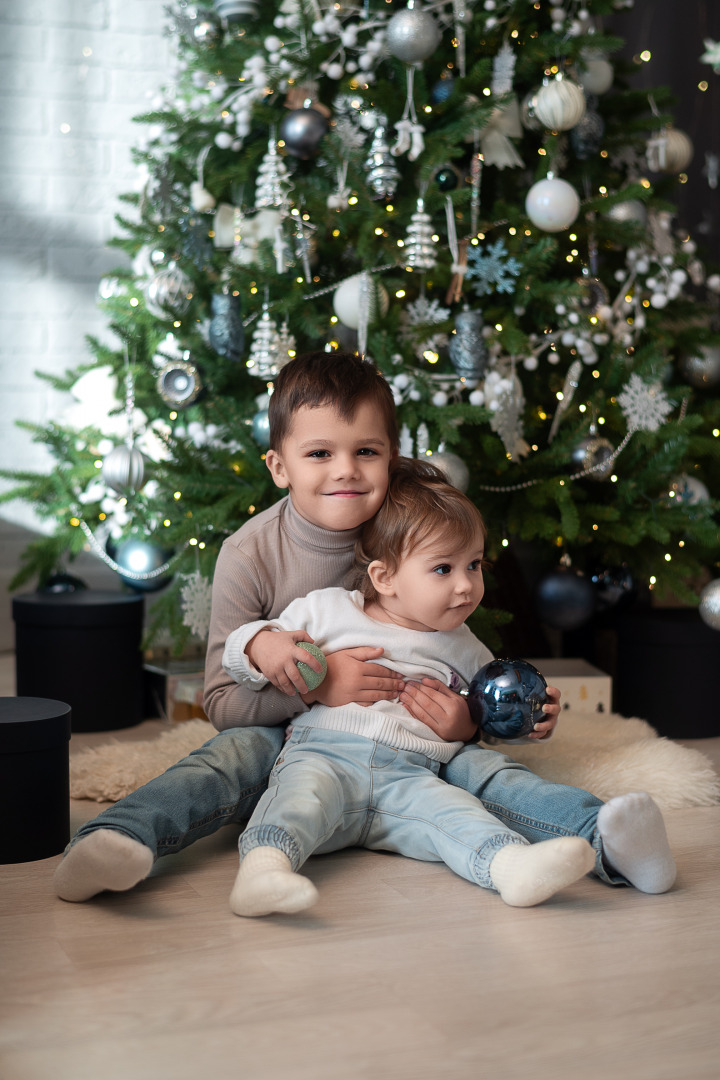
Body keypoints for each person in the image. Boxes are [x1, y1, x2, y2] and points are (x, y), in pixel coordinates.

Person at [54, 351, 675, 904]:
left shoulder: (416, 531)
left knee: (489, 776)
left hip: (411, 741)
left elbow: (448, 651)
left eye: (367, 451)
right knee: (226, 758)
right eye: (319, 453)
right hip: (294, 732)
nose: (346, 471)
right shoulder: (249, 554)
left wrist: (476, 719)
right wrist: (315, 688)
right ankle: (119, 838)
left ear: (393, 457)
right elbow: (221, 702)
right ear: (280, 466)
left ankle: (609, 842)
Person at [225, 457, 602, 914]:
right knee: (296, 802)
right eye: (443, 569)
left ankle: (510, 867)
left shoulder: (466, 648)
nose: (466, 585)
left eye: (475, 565)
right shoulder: (329, 610)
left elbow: (494, 715)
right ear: (384, 578)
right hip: (324, 753)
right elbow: (240, 649)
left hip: (413, 773)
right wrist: (261, 648)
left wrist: (523, 720)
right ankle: (264, 871)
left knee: (455, 814)